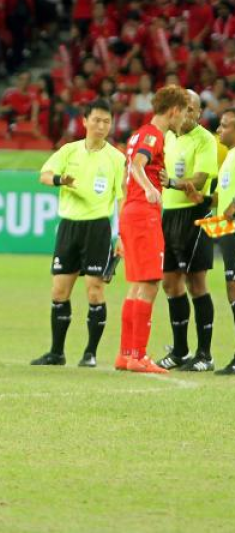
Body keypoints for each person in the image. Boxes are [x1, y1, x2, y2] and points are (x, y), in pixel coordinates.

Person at [29, 100, 126, 367]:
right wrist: (61, 180)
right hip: (69, 227)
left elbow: (122, 199)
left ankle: (90, 354)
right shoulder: (68, 151)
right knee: (59, 290)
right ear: (84, 121)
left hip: (98, 228)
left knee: (94, 291)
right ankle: (56, 353)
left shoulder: (117, 158)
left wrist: (121, 235)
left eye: (106, 121)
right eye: (96, 120)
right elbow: (44, 175)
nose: (101, 126)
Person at [116, 85, 189, 374]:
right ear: (174, 111)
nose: (183, 118)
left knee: (136, 284)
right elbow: (137, 165)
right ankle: (139, 356)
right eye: (183, 112)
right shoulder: (153, 135)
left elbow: (129, 171)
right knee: (149, 283)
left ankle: (125, 354)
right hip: (143, 214)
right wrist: (149, 188)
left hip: (131, 212)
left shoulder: (139, 133)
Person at [156, 90, 218, 372]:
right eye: (183, 108)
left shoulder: (205, 139)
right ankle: (180, 351)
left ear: (199, 113)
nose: (187, 113)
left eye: (192, 109)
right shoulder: (168, 136)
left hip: (195, 215)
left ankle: (205, 355)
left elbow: (200, 180)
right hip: (169, 214)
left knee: (197, 284)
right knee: (170, 283)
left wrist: (171, 182)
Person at [212, 108, 235, 375]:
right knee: (231, 288)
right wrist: (204, 199)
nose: (219, 130)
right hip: (228, 231)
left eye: (225, 125)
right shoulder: (229, 157)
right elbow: (220, 196)